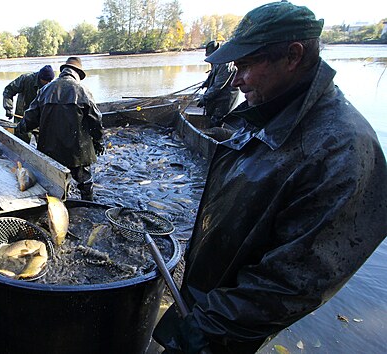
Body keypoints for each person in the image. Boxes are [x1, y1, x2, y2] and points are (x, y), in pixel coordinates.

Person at [153, 2, 387, 354]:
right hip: (209, 302)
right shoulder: (271, 110)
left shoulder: (341, 150)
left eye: (245, 66)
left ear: (293, 56)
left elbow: (295, 281)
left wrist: (208, 327)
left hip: (224, 326)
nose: (236, 80)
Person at [16, 57, 103, 201]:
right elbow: (96, 121)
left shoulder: (45, 90)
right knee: (84, 181)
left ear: (63, 71)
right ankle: (88, 206)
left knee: (52, 182)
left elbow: (30, 117)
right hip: (77, 151)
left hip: (50, 149)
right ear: (77, 74)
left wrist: (21, 126)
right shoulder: (83, 91)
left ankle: (56, 207)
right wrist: (98, 142)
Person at [2, 65, 55, 143]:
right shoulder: (26, 79)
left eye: (50, 81)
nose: (48, 83)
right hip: (22, 118)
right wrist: (8, 108)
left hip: (40, 120)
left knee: (43, 145)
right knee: (21, 142)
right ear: (40, 77)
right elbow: (8, 91)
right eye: (46, 81)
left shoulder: (51, 85)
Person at [197, 40, 240, 127]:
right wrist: (206, 83)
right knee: (210, 117)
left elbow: (218, 85)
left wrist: (205, 98)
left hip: (226, 97)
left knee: (217, 121)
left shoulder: (225, 63)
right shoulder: (216, 61)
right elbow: (213, 76)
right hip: (217, 97)